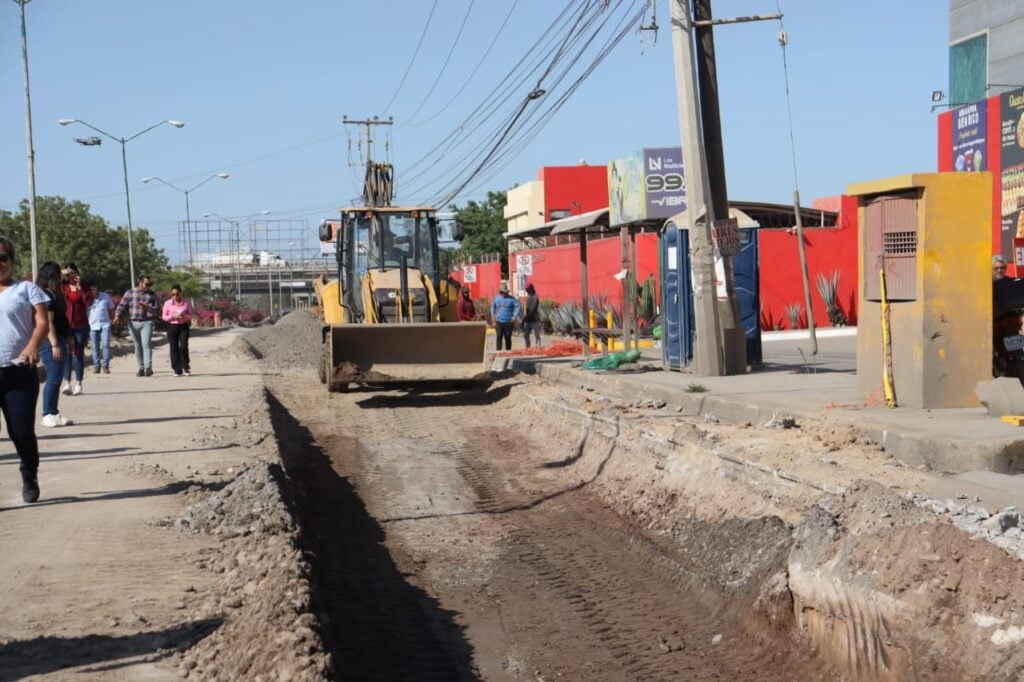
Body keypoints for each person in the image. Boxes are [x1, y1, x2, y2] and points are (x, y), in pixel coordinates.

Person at [0, 237, 50, 502]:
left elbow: (42, 322)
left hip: (18, 371)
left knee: (20, 432)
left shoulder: (26, 289)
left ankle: (29, 473)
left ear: (11, 261)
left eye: (2, 258)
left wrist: (33, 346)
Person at [35, 262, 73, 428]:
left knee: (57, 376)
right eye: (58, 275)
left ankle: (54, 411)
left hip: (61, 338)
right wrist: (55, 344)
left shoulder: (53, 293)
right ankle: (47, 413)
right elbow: (48, 323)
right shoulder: (45, 295)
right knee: (54, 376)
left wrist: (68, 338)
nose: (61, 277)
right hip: (49, 341)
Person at [113, 274, 159, 377]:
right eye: (147, 284)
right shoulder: (130, 293)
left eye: (150, 284)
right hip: (133, 322)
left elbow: (157, 309)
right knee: (137, 346)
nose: (148, 286)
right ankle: (140, 368)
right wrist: (117, 316)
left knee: (146, 344)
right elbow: (122, 305)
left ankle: (148, 368)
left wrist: (148, 307)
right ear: (140, 283)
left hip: (147, 322)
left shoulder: (152, 294)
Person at [61, 264, 92, 395]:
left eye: (73, 272)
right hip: (66, 324)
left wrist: (80, 287)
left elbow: (89, 302)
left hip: (81, 324)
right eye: (68, 273)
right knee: (67, 353)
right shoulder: (63, 285)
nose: (71, 275)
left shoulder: (84, 286)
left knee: (78, 353)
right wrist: (63, 273)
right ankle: (67, 382)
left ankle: (79, 383)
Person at [162, 284, 193, 376]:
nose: (175, 296)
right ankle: (176, 368)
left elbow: (190, 316)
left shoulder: (186, 303)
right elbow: (164, 317)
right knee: (174, 347)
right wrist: (172, 316)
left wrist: (184, 316)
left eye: (177, 294)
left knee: (183, 346)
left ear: (181, 293)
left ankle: (185, 366)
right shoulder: (167, 303)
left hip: (183, 326)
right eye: (173, 294)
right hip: (172, 327)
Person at [86, 281, 115, 374]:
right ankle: (96, 366)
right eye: (90, 290)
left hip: (105, 324)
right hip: (92, 325)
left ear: (97, 288)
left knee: (106, 345)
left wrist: (112, 320)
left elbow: (111, 309)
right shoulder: (87, 299)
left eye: (93, 289)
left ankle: (105, 366)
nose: (92, 292)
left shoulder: (105, 296)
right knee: (95, 347)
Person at [490, 281, 521, 351]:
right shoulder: (496, 298)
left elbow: (518, 306)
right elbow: (492, 307)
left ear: (507, 292)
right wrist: (493, 316)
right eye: (501, 292)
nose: (503, 294)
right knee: (499, 336)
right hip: (499, 321)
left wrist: (514, 316)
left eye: (504, 292)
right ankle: (498, 352)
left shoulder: (512, 299)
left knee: (507, 337)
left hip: (508, 322)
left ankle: (508, 351)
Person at [522, 282, 542, 348]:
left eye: (528, 289)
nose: (527, 291)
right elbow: (525, 309)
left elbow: (532, 309)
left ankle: (538, 348)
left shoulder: (535, 297)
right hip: (527, 320)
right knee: (526, 335)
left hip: (534, 319)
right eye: (526, 289)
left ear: (532, 289)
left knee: (537, 335)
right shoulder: (527, 297)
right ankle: (528, 347)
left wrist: (525, 318)